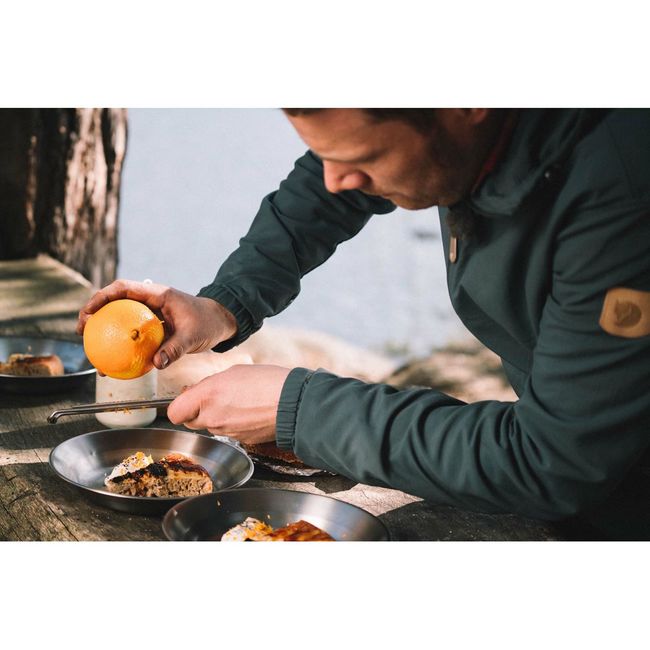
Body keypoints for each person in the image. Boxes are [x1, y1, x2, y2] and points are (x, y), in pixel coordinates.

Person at [77, 108, 650, 529]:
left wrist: (296, 408)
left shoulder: (622, 198)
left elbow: (554, 459)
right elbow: (331, 184)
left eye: (363, 161)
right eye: (324, 154)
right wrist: (225, 304)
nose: (334, 178)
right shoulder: (459, 132)